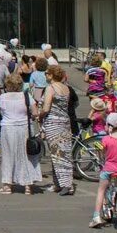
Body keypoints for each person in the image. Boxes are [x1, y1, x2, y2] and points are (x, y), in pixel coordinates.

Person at [0, 73, 40, 194]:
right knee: (26, 156)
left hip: (8, 127)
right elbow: (35, 113)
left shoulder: (3, 97)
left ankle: (7, 185)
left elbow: (2, 113)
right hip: (24, 127)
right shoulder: (26, 96)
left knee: (8, 156)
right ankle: (27, 185)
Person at [37, 64, 75, 196]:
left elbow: (46, 108)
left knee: (58, 154)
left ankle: (66, 185)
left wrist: (39, 115)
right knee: (64, 152)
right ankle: (59, 183)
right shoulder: (66, 88)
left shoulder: (50, 88)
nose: (45, 75)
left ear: (52, 75)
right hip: (65, 121)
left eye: (47, 73)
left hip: (53, 123)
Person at [90, 113, 117, 228]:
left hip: (109, 169)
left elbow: (101, 153)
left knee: (101, 190)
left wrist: (101, 156)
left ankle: (96, 217)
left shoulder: (106, 139)